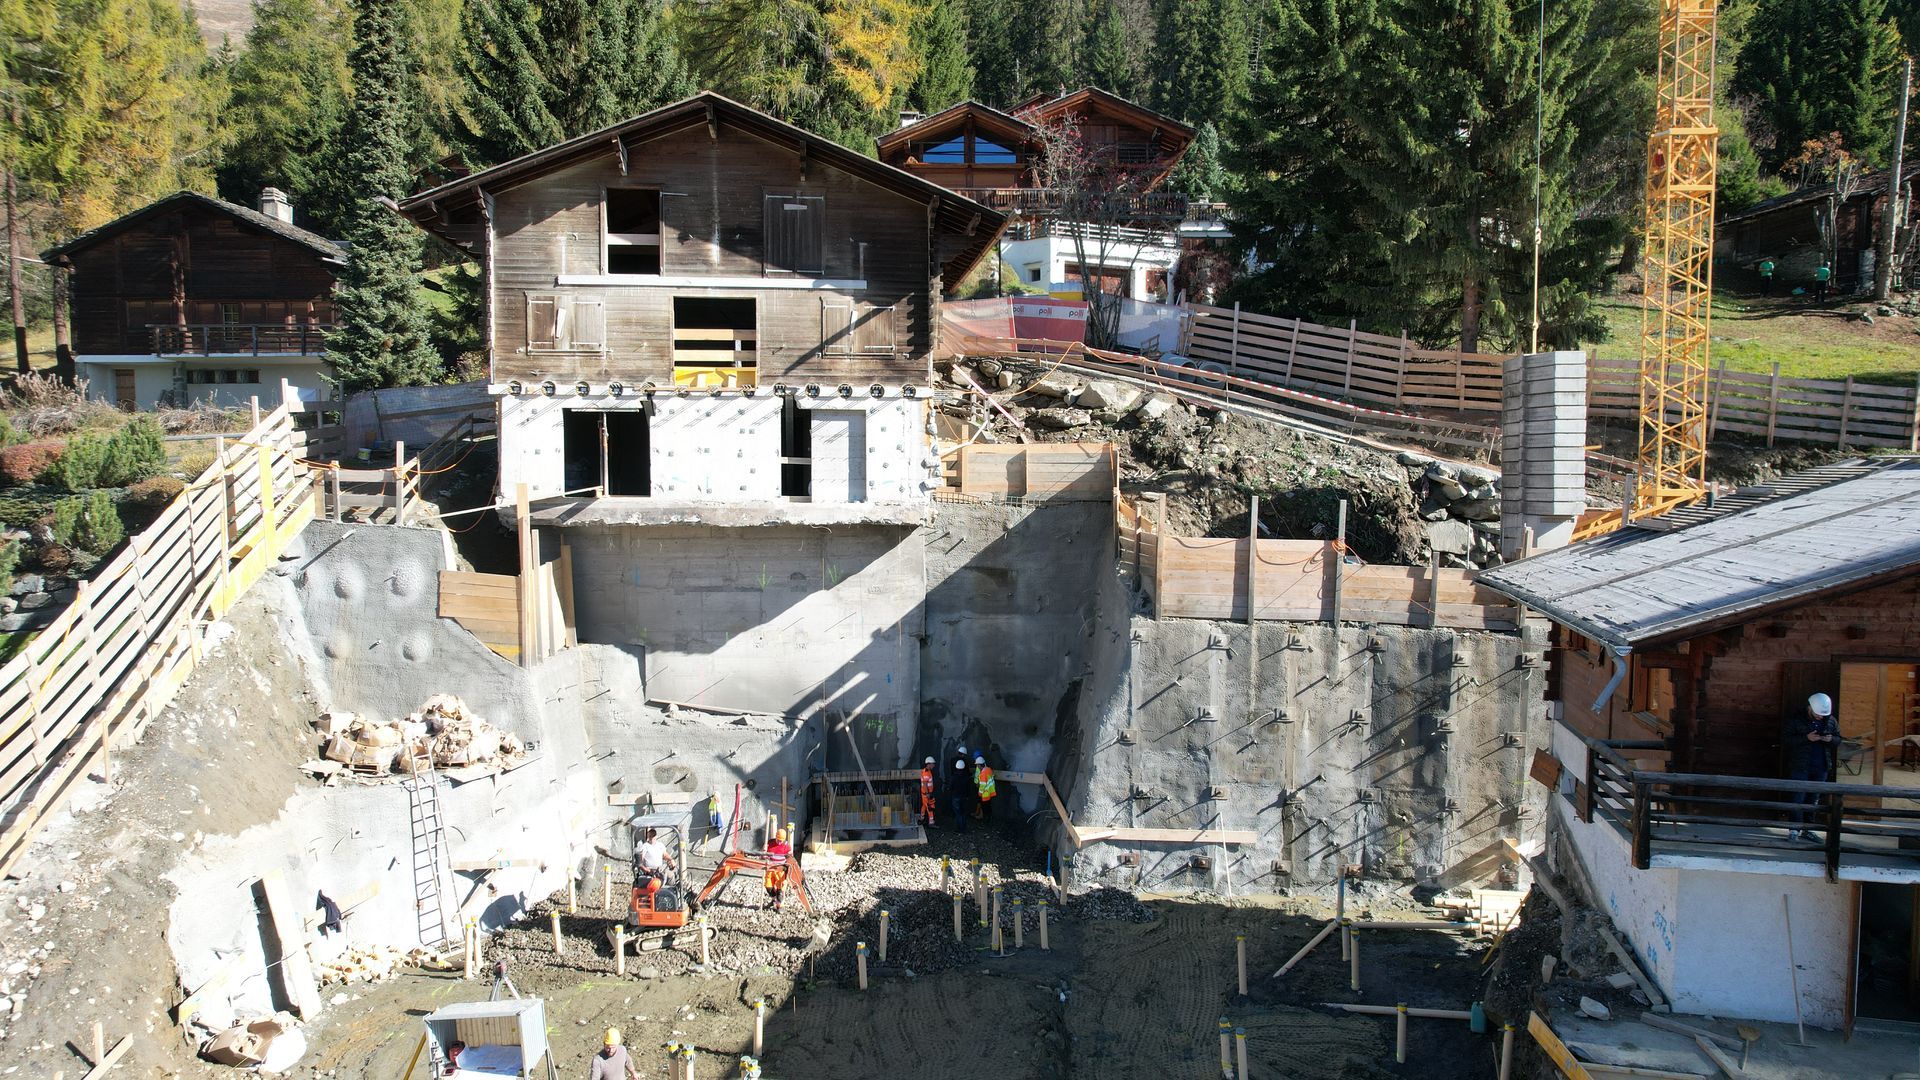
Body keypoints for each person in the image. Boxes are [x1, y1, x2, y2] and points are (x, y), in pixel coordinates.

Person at [1785, 692, 1839, 841]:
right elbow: (1786, 739)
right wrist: (1806, 738)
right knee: (1798, 797)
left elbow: (1838, 739)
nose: (1820, 717)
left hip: (1821, 766)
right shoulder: (1796, 720)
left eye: (1823, 714)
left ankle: (1808, 829)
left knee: (1813, 798)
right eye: (1817, 713)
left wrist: (1831, 739)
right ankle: (1794, 829)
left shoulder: (1831, 721)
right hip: (1800, 765)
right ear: (1809, 707)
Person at [633, 828, 674, 892]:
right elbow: (641, 859)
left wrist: (671, 860)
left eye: (653, 835)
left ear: (656, 836)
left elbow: (665, 855)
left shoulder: (660, 845)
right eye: (650, 835)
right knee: (654, 881)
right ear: (648, 836)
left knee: (671, 875)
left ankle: (670, 893)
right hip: (650, 870)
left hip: (660, 869)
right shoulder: (645, 846)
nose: (652, 837)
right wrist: (645, 869)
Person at [763, 827, 792, 910]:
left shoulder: (786, 846)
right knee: (768, 886)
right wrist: (764, 850)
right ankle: (774, 900)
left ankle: (780, 906)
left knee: (780, 890)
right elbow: (764, 856)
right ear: (776, 837)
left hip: (780, 869)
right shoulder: (770, 843)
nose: (780, 842)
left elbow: (790, 859)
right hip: (771, 868)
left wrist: (788, 868)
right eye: (778, 839)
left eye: (781, 840)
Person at [949, 745, 975, 832]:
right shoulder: (966, 777)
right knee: (963, 812)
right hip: (964, 795)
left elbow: (951, 787)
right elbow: (968, 786)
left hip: (955, 795)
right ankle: (963, 828)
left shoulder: (953, 774)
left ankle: (959, 828)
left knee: (957, 812)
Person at [973, 755, 997, 820]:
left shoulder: (983, 773)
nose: (977, 766)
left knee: (985, 807)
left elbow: (982, 785)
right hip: (990, 791)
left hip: (985, 793)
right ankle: (989, 818)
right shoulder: (988, 769)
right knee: (988, 806)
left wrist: (980, 793)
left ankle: (986, 820)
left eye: (977, 765)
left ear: (980, 765)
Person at [919, 756, 937, 827]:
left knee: (924, 805)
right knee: (930, 807)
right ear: (928, 764)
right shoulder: (926, 773)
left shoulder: (925, 771)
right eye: (932, 764)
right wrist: (928, 794)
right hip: (927, 793)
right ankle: (931, 822)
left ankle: (922, 818)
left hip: (925, 793)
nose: (934, 765)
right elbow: (925, 784)